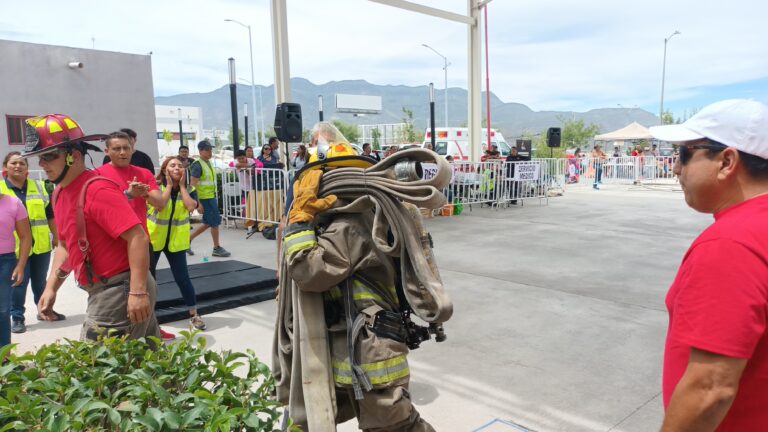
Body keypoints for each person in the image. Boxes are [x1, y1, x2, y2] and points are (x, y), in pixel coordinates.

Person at [274, 122, 443, 431]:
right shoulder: (371, 212)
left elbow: (311, 272)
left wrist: (299, 224)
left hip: (371, 351)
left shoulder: (349, 225)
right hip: (360, 346)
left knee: (396, 426)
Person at [649, 99, 768, 431]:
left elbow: (710, 389)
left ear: (727, 161)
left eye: (685, 154)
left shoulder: (731, 244)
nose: (676, 168)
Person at [24, 114, 159, 341]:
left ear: (74, 156)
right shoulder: (59, 193)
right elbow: (65, 245)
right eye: (40, 157)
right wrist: (51, 288)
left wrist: (137, 293)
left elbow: (138, 237)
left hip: (118, 289)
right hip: (103, 289)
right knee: (143, 364)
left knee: (98, 366)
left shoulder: (97, 190)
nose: (42, 164)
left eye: (49, 156)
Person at [96, 131, 175, 341]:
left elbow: (160, 203)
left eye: (126, 148)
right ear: (107, 151)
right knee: (114, 294)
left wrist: (144, 193)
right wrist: (128, 195)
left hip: (140, 242)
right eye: (117, 148)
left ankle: (151, 328)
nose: (122, 152)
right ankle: (121, 336)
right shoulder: (97, 175)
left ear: (133, 149)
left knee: (147, 289)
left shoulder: (143, 173)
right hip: (111, 244)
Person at [2, 152, 63, 334]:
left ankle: (44, 310)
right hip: (15, 248)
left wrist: (56, 236)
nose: (18, 166)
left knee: (40, 281)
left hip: (41, 244)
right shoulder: (1, 190)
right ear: (6, 167)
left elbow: (50, 215)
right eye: (14, 163)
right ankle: (17, 317)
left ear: (27, 168)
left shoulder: (40, 187)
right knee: (18, 283)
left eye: (22, 163)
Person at [148, 157, 206, 330]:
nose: (177, 168)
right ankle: (148, 318)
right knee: (148, 280)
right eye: (172, 165)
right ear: (165, 169)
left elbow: (190, 207)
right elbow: (160, 205)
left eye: (180, 166)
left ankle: (194, 314)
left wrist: (181, 187)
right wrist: (168, 185)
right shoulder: (155, 187)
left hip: (175, 242)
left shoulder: (189, 189)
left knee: (183, 279)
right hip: (154, 239)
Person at [189, 140, 231, 257]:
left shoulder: (207, 163)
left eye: (210, 150)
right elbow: (193, 185)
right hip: (205, 199)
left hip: (210, 197)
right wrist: (198, 203)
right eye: (207, 150)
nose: (210, 152)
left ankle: (187, 241)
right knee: (214, 223)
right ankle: (216, 247)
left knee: (209, 222)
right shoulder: (198, 165)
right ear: (200, 151)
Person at [0, 191, 31, 349]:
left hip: (5, 262)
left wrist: (21, 265)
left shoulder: (14, 203)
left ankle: (4, 357)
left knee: (3, 310)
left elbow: (26, 236)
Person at [229, 150, 262, 236]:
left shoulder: (251, 160)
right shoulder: (237, 161)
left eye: (243, 158)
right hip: (244, 187)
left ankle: (255, 223)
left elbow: (254, 170)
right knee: (248, 206)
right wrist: (249, 166)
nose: (241, 160)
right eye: (239, 159)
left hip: (253, 186)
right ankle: (249, 223)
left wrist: (249, 168)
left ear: (245, 156)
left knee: (255, 205)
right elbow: (238, 165)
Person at [255, 143, 285, 234]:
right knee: (266, 204)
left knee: (276, 202)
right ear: (263, 149)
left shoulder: (275, 158)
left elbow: (279, 167)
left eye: (269, 149)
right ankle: (265, 221)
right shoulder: (259, 158)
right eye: (266, 148)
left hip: (275, 185)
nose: (268, 150)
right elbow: (259, 168)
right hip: (264, 185)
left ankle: (277, 219)